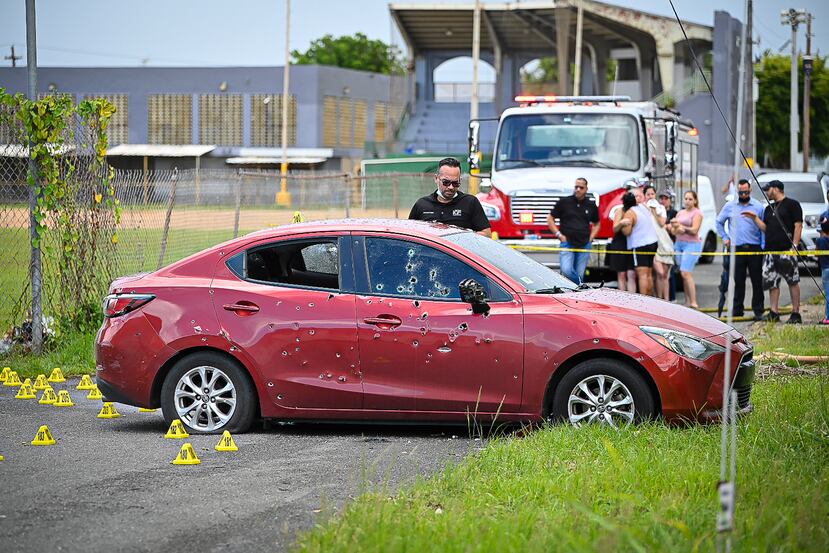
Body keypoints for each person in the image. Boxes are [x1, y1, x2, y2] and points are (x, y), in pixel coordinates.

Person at [742, 179, 803, 323]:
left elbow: (798, 225)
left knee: (792, 281)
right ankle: (774, 312)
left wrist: (794, 245)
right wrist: (755, 218)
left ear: (776, 189)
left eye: (767, 190)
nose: (766, 193)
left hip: (787, 250)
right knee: (772, 282)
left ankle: (795, 313)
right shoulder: (768, 208)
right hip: (771, 251)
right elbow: (766, 228)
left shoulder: (792, 204)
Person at [715, 179, 765, 320]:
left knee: (757, 280)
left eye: (746, 192)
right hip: (736, 248)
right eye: (741, 192)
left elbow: (763, 228)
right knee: (738, 281)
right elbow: (719, 222)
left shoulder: (758, 206)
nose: (743, 194)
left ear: (750, 191)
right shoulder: (730, 206)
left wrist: (762, 246)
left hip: (754, 248)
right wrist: (725, 237)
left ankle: (758, 310)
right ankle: (737, 310)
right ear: (737, 191)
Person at [409, 157, 491, 236]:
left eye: (455, 183)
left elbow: (486, 234)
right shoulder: (422, 204)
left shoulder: (470, 202)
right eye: (446, 182)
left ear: (460, 181)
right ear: (436, 178)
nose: (451, 187)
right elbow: (410, 234)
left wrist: (464, 237)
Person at [547, 177, 600, 284]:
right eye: (576, 187)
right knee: (566, 271)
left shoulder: (591, 205)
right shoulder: (564, 202)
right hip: (567, 243)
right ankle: (580, 286)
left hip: (584, 244)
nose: (578, 189)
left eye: (581, 187)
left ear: (586, 189)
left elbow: (597, 223)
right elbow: (550, 218)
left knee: (580, 273)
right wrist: (559, 235)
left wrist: (591, 238)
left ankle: (577, 294)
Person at [620, 187, 659, 296]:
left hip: (640, 245)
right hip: (653, 242)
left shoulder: (629, 213)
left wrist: (622, 225)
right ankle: (651, 298)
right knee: (649, 274)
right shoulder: (644, 207)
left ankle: (644, 301)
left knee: (642, 275)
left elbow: (627, 232)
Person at [668, 191, 704, 309]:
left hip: (692, 244)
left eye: (690, 199)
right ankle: (688, 301)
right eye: (686, 199)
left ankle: (694, 301)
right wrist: (673, 227)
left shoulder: (697, 213)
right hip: (679, 243)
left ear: (695, 201)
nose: (687, 201)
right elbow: (674, 231)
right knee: (682, 273)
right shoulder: (680, 213)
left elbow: (694, 230)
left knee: (686, 272)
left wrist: (683, 228)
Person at [645, 185, 672, 300]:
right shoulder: (642, 208)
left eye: (652, 194)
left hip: (664, 242)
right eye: (648, 194)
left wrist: (654, 211)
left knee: (664, 275)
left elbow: (662, 223)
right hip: (651, 243)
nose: (650, 196)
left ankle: (666, 299)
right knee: (658, 273)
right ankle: (658, 299)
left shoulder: (660, 208)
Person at [607, 192, 637, 292]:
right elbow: (614, 228)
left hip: (633, 243)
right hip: (620, 243)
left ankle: (632, 299)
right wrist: (621, 223)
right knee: (621, 273)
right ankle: (623, 298)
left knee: (631, 274)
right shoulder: (620, 210)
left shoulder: (636, 210)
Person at [659, 188, 679, 301]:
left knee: (669, 273)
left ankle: (672, 297)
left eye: (666, 198)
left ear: (670, 200)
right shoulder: (657, 211)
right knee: (660, 274)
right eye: (661, 198)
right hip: (659, 245)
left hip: (670, 245)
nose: (663, 200)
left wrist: (667, 227)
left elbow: (673, 228)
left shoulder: (674, 213)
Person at [816, 220, 829, 325]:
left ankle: (828, 317)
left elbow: (816, 253)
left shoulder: (820, 240)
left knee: (827, 294)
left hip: (825, 269)